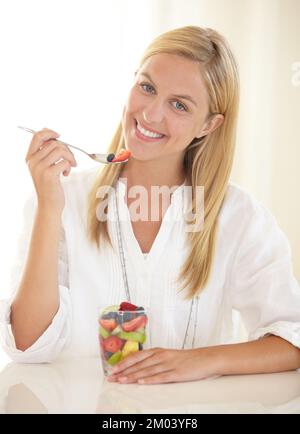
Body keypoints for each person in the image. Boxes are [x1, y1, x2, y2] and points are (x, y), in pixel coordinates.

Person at [1, 26, 300, 385]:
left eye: (179, 105)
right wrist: (50, 207)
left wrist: (200, 361)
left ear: (209, 125)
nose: (151, 114)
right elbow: (27, 344)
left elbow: (292, 338)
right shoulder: (62, 199)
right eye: (147, 87)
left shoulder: (239, 217)